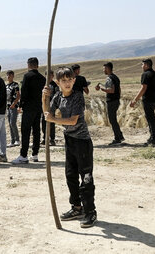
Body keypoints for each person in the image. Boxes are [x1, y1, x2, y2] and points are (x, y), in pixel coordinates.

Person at [43, 67, 97, 228]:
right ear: (57, 82)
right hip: (70, 140)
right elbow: (47, 114)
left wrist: (54, 120)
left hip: (82, 141)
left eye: (70, 80)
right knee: (70, 175)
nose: (67, 83)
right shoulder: (58, 96)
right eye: (63, 81)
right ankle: (77, 208)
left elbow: (73, 120)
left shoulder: (78, 97)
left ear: (74, 80)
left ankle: (90, 212)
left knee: (86, 178)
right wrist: (44, 97)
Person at [12, 57, 46, 164]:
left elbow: (24, 91)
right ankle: (35, 154)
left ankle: (23, 155)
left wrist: (20, 105)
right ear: (37, 65)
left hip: (28, 108)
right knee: (36, 131)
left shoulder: (27, 76)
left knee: (25, 131)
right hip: (38, 107)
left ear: (29, 65)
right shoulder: (42, 78)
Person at [130, 58, 155, 146]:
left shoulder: (145, 75)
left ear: (147, 65)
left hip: (148, 99)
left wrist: (134, 100)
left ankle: (154, 138)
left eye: (142, 64)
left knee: (151, 119)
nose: (141, 66)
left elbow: (143, 88)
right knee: (151, 119)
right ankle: (152, 137)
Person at [95, 62, 124, 145]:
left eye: (104, 68)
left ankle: (117, 138)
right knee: (113, 119)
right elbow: (118, 89)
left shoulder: (110, 78)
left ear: (108, 68)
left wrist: (101, 88)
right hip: (115, 100)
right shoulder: (115, 77)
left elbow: (111, 90)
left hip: (111, 101)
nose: (103, 70)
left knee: (112, 120)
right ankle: (120, 136)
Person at [41, 70, 59, 146]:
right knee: (44, 122)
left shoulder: (54, 85)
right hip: (44, 106)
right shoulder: (44, 84)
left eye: (51, 75)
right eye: (47, 75)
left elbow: (57, 95)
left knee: (51, 122)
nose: (49, 77)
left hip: (52, 106)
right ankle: (45, 138)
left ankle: (52, 139)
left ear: (53, 76)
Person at [6, 70, 21, 147]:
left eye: (10, 75)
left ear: (12, 76)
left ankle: (17, 139)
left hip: (14, 107)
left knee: (13, 123)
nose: (8, 76)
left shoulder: (15, 85)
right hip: (8, 107)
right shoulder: (6, 86)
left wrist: (14, 104)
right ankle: (12, 141)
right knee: (10, 123)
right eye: (7, 75)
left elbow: (18, 95)